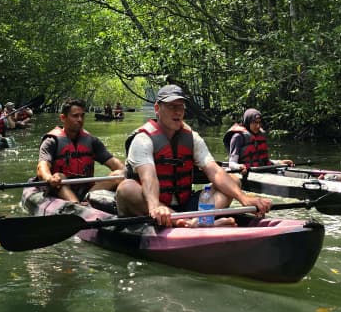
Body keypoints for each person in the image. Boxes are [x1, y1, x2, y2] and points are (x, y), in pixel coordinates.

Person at [116, 84, 271, 225]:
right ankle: (188, 223)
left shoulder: (192, 138)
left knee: (233, 181)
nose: (178, 112)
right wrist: (155, 206)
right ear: (157, 108)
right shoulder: (143, 140)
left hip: (186, 205)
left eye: (181, 107)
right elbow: (148, 177)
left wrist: (243, 198)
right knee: (126, 188)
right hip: (153, 204)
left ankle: (197, 223)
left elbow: (214, 171)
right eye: (172, 106)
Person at [36, 100, 124, 202]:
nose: (80, 119)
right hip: (59, 188)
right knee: (60, 176)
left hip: (87, 190)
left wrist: (129, 172)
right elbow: (42, 166)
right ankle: (76, 205)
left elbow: (113, 162)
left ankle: (86, 204)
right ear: (63, 118)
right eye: (75, 116)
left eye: (82, 116)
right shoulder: (51, 141)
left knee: (119, 174)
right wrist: (49, 178)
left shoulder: (91, 141)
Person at [223, 108, 293, 171]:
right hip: (246, 172)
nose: (258, 126)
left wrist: (280, 162)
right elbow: (232, 164)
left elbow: (264, 161)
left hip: (261, 170)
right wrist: (239, 167)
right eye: (255, 122)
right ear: (247, 122)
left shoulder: (261, 135)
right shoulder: (238, 137)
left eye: (259, 122)